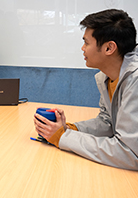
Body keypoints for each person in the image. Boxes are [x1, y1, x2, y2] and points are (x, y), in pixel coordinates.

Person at [34, 9, 138, 170]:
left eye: (87, 42)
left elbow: (130, 153)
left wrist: (63, 136)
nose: (83, 48)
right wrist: (71, 129)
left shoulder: (135, 80)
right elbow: (107, 122)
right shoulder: (106, 76)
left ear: (109, 48)